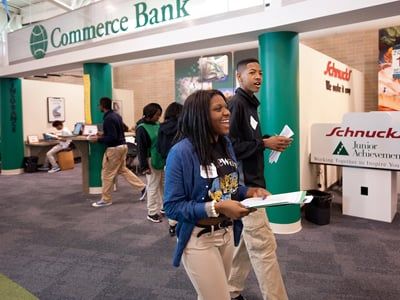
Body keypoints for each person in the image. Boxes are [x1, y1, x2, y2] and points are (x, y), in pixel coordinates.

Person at [164, 89, 269, 300]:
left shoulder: (225, 144)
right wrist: (217, 207)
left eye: (226, 107)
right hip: (199, 239)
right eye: (218, 108)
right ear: (200, 115)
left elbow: (228, 186)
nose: (227, 113)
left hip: (227, 234)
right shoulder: (181, 152)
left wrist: (249, 191)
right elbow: (172, 207)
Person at [228, 58, 292, 300]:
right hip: (247, 189)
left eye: (261, 72)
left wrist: (267, 140)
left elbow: (246, 141)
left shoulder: (250, 105)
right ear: (239, 77)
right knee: (264, 248)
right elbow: (230, 147)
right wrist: (264, 143)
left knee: (248, 244)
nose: (258, 77)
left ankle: (230, 290)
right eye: (252, 72)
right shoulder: (237, 105)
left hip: (254, 185)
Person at [90, 97, 146, 208]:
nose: (99, 107)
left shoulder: (108, 119)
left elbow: (112, 137)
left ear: (102, 105)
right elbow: (119, 131)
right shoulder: (116, 116)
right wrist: (103, 133)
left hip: (114, 149)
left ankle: (106, 199)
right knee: (122, 170)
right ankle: (143, 187)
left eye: (99, 105)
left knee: (107, 174)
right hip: (123, 147)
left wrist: (98, 139)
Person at [157, 102, 183, 236]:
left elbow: (160, 148)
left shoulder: (161, 127)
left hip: (169, 163)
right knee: (185, 193)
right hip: (185, 164)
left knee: (172, 193)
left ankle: (172, 224)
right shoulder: (184, 127)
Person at [136, 103, 165, 223]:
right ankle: (152, 212)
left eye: (160, 115)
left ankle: (164, 207)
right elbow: (141, 149)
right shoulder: (141, 128)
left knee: (162, 185)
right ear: (150, 114)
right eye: (157, 115)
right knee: (153, 186)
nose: (159, 117)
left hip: (161, 159)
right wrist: (144, 166)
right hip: (150, 160)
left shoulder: (158, 124)